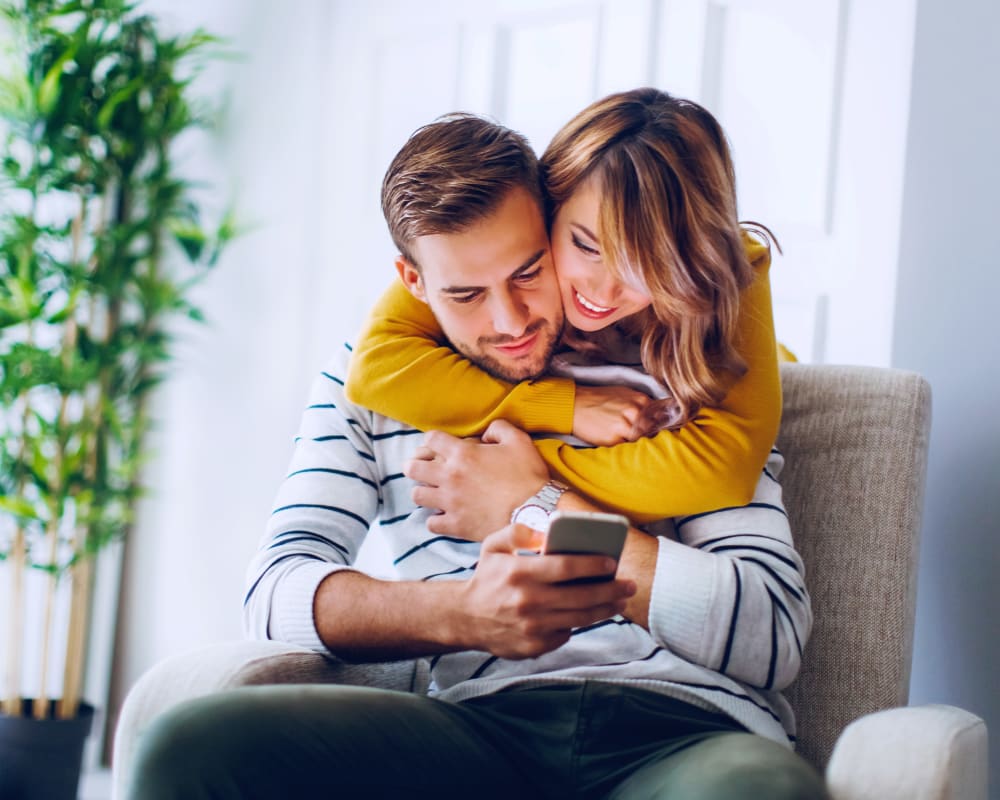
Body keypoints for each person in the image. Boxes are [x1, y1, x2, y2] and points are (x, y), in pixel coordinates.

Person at [126, 106, 827, 799]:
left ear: (547, 225)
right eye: (465, 294)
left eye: (529, 272)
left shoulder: (684, 369)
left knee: (759, 791)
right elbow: (273, 593)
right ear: (413, 281)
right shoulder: (369, 384)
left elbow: (770, 635)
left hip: (687, 729)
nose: (511, 321)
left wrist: (535, 506)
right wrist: (461, 613)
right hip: (480, 730)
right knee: (191, 747)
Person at [344, 87, 783, 526]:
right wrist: (564, 408)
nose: (604, 293)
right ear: (550, 203)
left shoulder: (725, 265)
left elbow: (724, 470)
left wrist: (519, 480)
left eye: (647, 267)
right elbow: (375, 368)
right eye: (586, 247)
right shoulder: (485, 245)